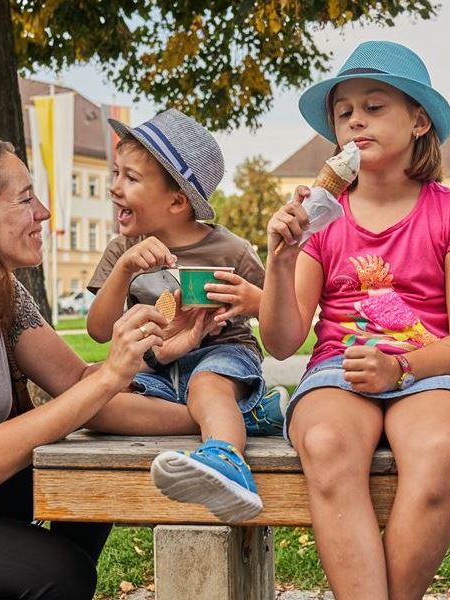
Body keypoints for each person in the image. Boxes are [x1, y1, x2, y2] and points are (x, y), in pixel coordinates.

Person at [0, 135, 196, 599]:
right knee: (58, 572)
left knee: (94, 484)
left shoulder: (0, 291)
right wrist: (109, 375)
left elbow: (75, 385)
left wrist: (194, 403)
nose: (45, 212)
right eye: (26, 199)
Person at [260, 41, 450, 599]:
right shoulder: (322, 218)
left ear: (418, 121)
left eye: (374, 106)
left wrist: (402, 367)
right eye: (344, 113)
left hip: (428, 369)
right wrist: (281, 257)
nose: (355, 120)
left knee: (440, 447)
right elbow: (282, 339)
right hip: (336, 372)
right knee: (324, 442)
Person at [85, 108, 287, 524]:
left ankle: (227, 462)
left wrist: (253, 301)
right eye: (116, 173)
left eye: (131, 178)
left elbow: (281, 322)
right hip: (156, 368)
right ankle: (240, 419)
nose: (114, 188)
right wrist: (124, 271)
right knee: (89, 395)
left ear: (177, 201)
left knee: (207, 386)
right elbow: (98, 331)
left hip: (221, 357)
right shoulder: (123, 250)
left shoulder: (231, 251)